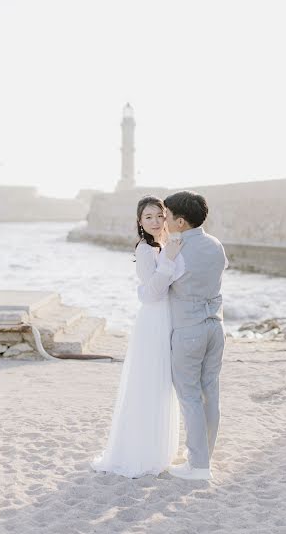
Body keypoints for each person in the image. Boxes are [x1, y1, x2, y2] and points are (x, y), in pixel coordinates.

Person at [90, 195, 184, 478]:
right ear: (140, 223)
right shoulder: (146, 250)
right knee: (149, 382)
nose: (155, 222)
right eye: (148, 218)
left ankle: (161, 447)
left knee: (166, 383)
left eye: (159, 215)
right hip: (154, 320)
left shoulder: (170, 244)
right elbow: (153, 292)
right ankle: (142, 452)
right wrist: (167, 262)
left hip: (171, 317)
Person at [138, 191, 228, 480]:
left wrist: (143, 288)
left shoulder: (175, 251)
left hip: (189, 330)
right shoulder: (215, 245)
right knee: (210, 393)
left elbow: (154, 292)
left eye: (166, 215)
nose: (162, 220)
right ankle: (204, 457)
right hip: (217, 326)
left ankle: (198, 465)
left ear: (179, 221)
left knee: (189, 396)